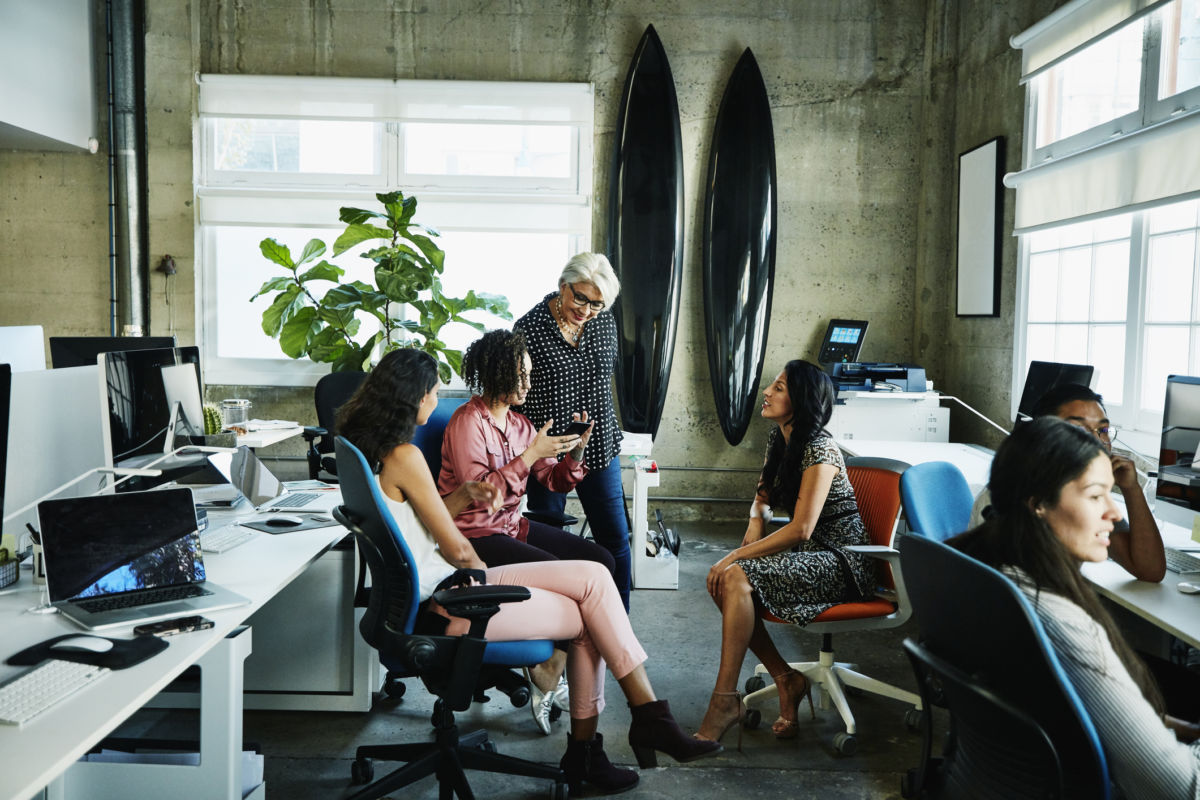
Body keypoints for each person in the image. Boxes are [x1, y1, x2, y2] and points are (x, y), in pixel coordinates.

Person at [335, 348, 720, 795]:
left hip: (433, 597)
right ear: (413, 395)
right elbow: (458, 546)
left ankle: (637, 727)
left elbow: (416, 522)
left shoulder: (372, 454)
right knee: (590, 613)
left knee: (595, 581)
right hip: (452, 604)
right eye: (434, 392)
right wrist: (483, 578)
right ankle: (607, 745)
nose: (437, 399)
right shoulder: (407, 454)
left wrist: (464, 496)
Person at [949, 417, 1200, 798]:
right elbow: (1181, 789)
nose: (1114, 514)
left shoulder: (984, 575)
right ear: (1038, 504)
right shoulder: (1062, 622)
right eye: (1096, 495)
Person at [438, 328, 618, 734]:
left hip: (513, 527)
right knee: (568, 577)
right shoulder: (468, 423)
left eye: (530, 375)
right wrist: (531, 454)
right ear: (498, 373)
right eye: (521, 376)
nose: (528, 384)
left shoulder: (521, 425)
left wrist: (575, 453)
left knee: (602, 559)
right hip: (477, 536)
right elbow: (482, 496)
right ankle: (551, 664)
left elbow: (553, 481)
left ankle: (555, 662)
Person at [697, 360, 873, 744]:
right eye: (772, 386)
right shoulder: (781, 439)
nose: (767, 392)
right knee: (727, 584)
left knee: (734, 574)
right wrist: (755, 520)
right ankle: (785, 679)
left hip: (842, 562)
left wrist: (736, 556)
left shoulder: (821, 449)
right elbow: (762, 500)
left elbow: (801, 529)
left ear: (803, 399)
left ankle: (724, 701)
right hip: (811, 555)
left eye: (778, 387)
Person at [514, 253, 632, 610]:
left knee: (615, 539)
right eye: (579, 297)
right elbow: (517, 394)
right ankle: (559, 628)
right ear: (563, 286)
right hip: (548, 453)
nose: (586, 310)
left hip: (596, 447)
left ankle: (616, 622)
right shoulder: (528, 329)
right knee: (552, 541)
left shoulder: (605, 323)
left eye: (596, 303)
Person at [971, 383, 1165, 582]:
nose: (1097, 441)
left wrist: (1131, 488)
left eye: (1103, 429)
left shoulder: (1084, 495)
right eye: (1078, 429)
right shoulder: (1011, 492)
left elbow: (1150, 570)